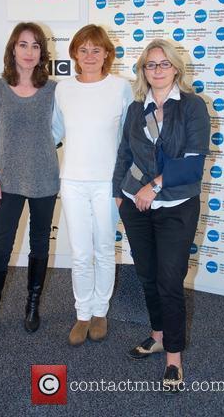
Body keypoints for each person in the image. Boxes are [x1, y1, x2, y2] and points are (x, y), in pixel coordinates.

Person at [113, 39, 210, 392]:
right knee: (148, 276)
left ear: (176, 68)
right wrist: (118, 197)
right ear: (143, 71)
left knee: (170, 280)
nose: (156, 70)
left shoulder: (193, 107)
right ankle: (156, 335)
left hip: (175, 207)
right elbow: (124, 153)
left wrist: (153, 186)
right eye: (149, 65)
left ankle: (173, 356)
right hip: (135, 206)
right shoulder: (136, 109)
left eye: (163, 64)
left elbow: (192, 163)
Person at [0, 22, 59, 339]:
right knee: (0, 247)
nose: (29, 51)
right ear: (12, 49)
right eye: (23, 44)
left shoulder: (53, 90)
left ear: (42, 53)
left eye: (35, 45)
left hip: (45, 179)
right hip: (6, 181)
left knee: (39, 245)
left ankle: (32, 305)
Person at [53, 24, 133, 346]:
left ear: (106, 55)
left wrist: (122, 187)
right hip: (72, 181)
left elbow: (129, 141)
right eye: (83, 50)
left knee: (102, 249)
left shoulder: (120, 88)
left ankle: (100, 311)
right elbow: (52, 133)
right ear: (74, 53)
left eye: (96, 50)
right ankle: (82, 313)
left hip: (107, 183)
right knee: (80, 252)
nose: (89, 56)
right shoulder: (63, 89)